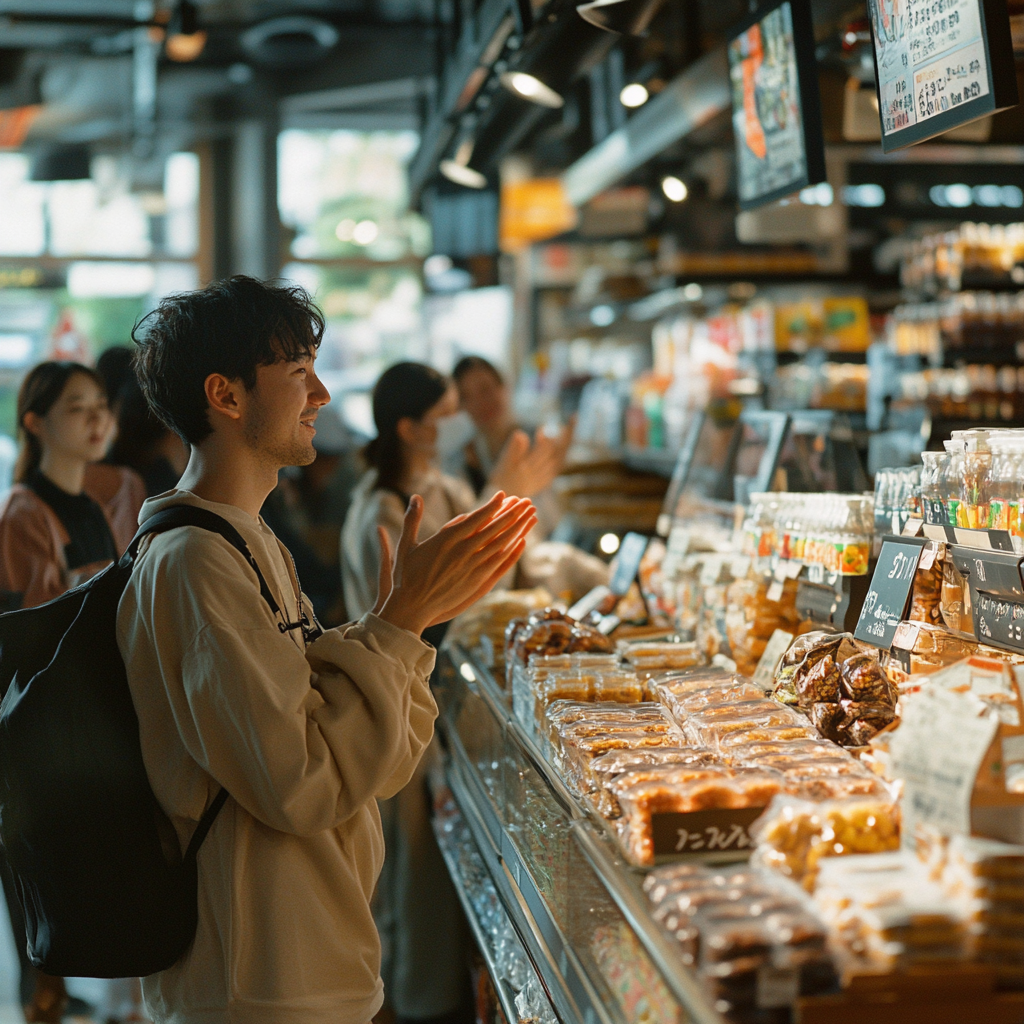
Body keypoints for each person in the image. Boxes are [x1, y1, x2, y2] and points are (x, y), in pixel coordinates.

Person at [118, 275, 535, 1024]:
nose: (323, 396)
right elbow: (299, 781)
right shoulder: (194, 561)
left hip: (308, 962)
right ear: (227, 395)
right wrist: (400, 621)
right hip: (258, 983)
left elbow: (372, 766)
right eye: (297, 374)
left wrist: (400, 624)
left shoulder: (245, 540)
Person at [339, 362, 560, 1024]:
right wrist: (501, 497)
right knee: (408, 876)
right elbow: (442, 607)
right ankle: (408, 1005)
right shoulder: (379, 508)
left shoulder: (441, 482)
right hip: (401, 705)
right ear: (408, 427)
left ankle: (426, 998)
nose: (459, 418)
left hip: (437, 701)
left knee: (429, 875)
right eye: (445, 411)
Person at [0, 360, 146, 1023]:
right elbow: (37, 638)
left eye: (101, 407)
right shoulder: (25, 512)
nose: (98, 421)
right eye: (78, 409)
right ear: (36, 423)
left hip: (97, 726)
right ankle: (48, 999)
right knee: (59, 900)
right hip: (52, 734)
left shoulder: (94, 503)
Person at [451, 355, 571, 538]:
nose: (480, 403)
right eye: (467, 396)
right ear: (458, 406)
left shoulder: (539, 440)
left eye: (485, 389)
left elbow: (554, 514)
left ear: (503, 387)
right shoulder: (461, 460)